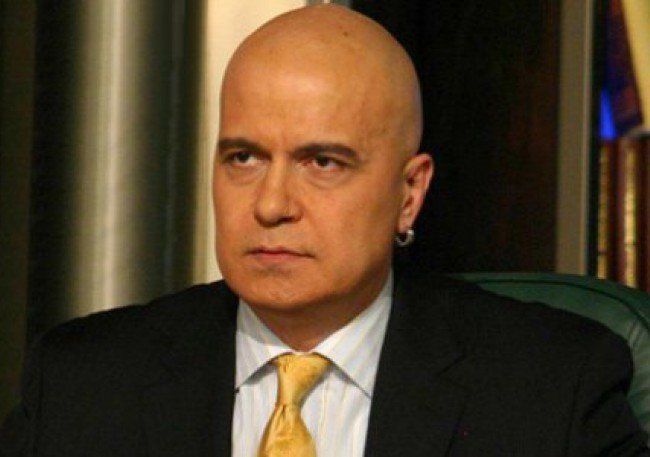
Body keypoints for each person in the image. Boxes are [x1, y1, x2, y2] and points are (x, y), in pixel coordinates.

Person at [1, 4, 648, 456]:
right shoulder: (83, 384)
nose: (271, 204)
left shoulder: (551, 387)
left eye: (323, 163)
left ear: (409, 193)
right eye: (244, 158)